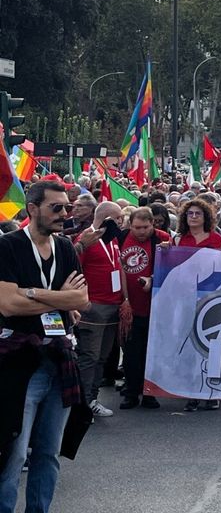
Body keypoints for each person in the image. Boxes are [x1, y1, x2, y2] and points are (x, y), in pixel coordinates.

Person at [0, 181, 90, 513]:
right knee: (14, 452)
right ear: (33, 208)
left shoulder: (65, 247)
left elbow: (82, 299)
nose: (65, 214)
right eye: (57, 208)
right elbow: (7, 306)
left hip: (61, 358)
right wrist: (59, 301)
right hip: (20, 361)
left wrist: (32, 293)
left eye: (68, 207)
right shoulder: (7, 247)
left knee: (49, 452)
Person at [74, 200, 125, 418]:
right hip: (93, 307)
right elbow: (75, 269)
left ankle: (92, 399)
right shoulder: (87, 238)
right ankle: (82, 405)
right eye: (118, 218)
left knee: (102, 358)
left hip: (112, 306)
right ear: (106, 218)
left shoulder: (111, 239)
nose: (122, 223)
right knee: (89, 357)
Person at [117, 207, 165, 410]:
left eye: (145, 227)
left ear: (153, 224)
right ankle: (131, 392)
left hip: (154, 307)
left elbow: (171, 268)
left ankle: (149, 393)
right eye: (137, 227)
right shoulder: (120, 238)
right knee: (130, 354)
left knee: (151, 353)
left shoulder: (162, 239)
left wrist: (152, 279)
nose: (141, 231)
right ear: (130, 225)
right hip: (128, 307)